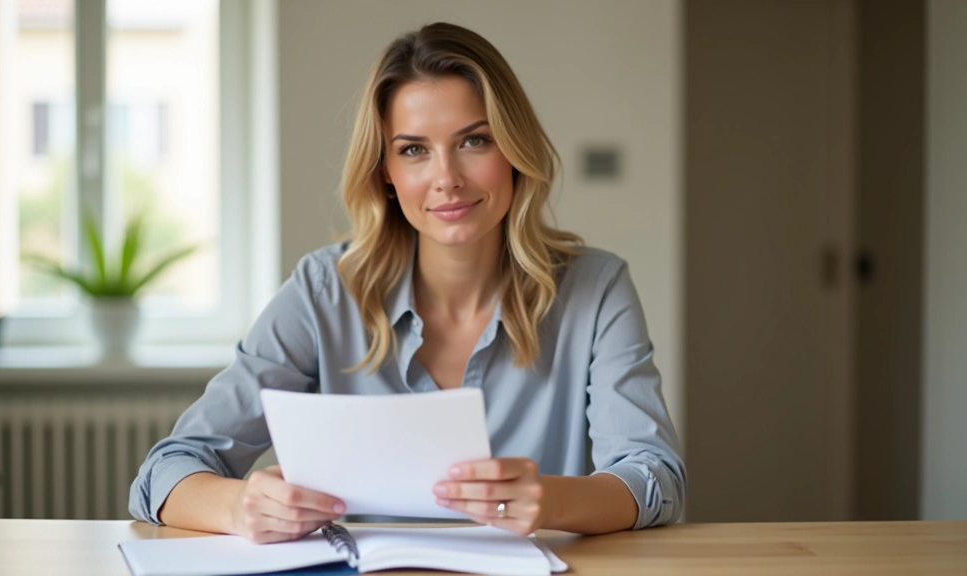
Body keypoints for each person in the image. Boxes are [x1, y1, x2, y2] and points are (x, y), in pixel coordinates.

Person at [129, 22, 685, 543]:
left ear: (515, 152)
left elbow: (655, 477)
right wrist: (237, 506)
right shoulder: (325, 290)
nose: (446, 178)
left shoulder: (597, 287)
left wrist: (552, 500)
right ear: (386, 175)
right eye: (414, 150)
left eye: (475, 141)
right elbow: (165, 473)